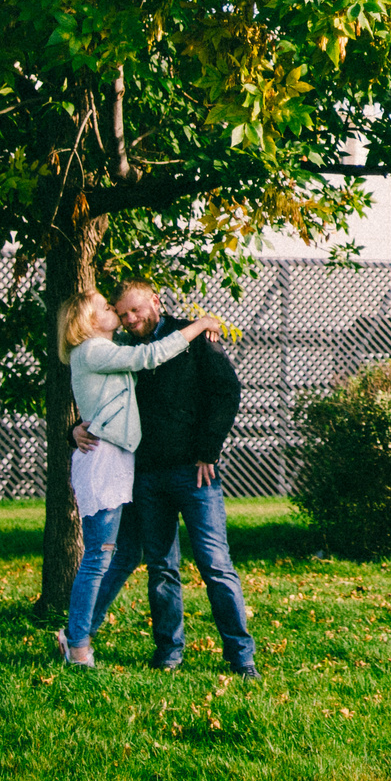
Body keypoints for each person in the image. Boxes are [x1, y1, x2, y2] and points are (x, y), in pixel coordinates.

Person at [74, 278, 258, 676]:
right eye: (121, 314)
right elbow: (102, 397)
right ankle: (169, 653)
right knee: (161, 568)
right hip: (146, 476)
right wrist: (73, 428)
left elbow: (227, 391)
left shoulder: (192, 337)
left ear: (155, 301)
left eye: (135, 310)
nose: (129, 319)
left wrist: (208, 449)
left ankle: (241, 656)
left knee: (215, 564)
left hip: (195, 471)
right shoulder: (120, 348)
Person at [57, 290, 221, 666]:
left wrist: (75, 428)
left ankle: (76, 633)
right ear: (87, 320)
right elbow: (148, 357)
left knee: (127, 553)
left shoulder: (103, 350)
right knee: (98, 555)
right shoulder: (93, 350)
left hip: (120, 460)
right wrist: (202, 324)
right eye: (106, 307)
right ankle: (78, 646)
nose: (115, 311)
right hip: (104, 462)